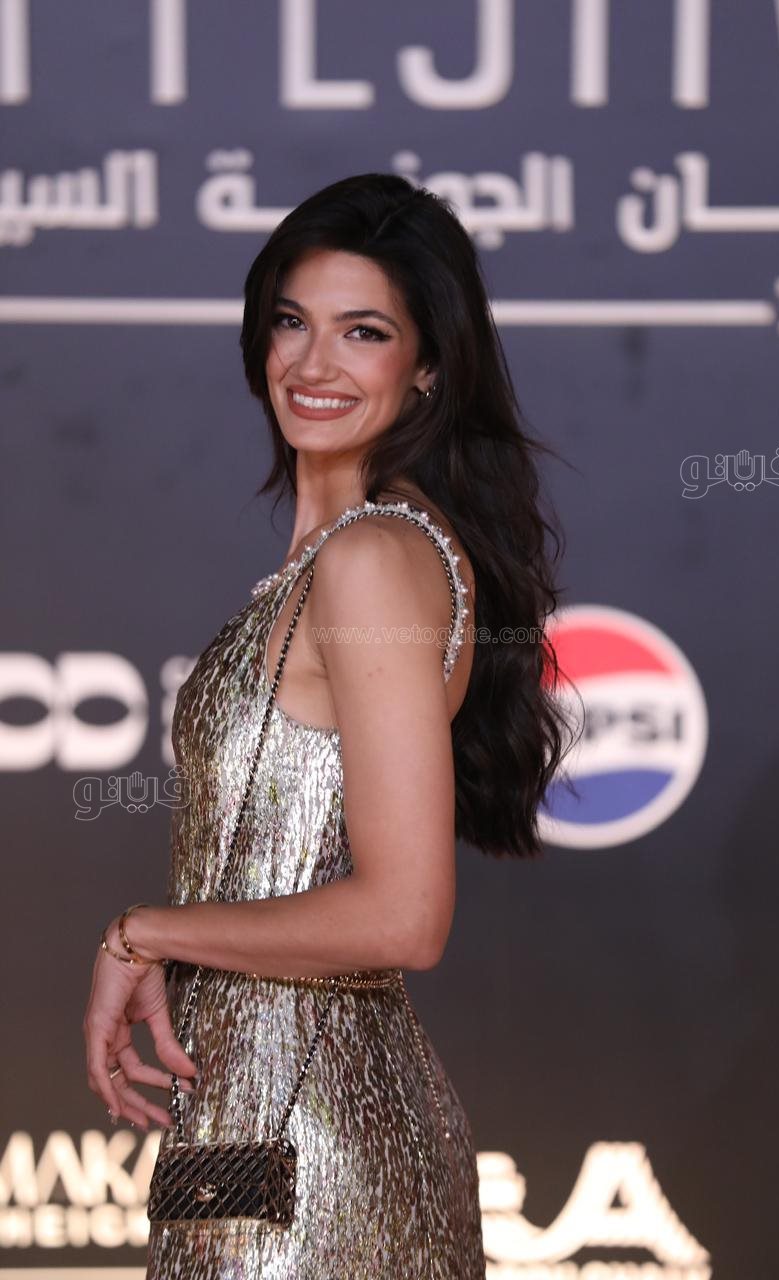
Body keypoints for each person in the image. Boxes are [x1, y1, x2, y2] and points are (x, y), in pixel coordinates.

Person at [83, 173, 576, 1278]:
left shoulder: (372, 560)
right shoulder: (343, 555)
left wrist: (143, 932)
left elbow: (404, 916)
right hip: (247, 1131)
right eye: (291, 322)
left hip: (315, 1153)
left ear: (428, 366)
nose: (313, 364)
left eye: (364, 332)